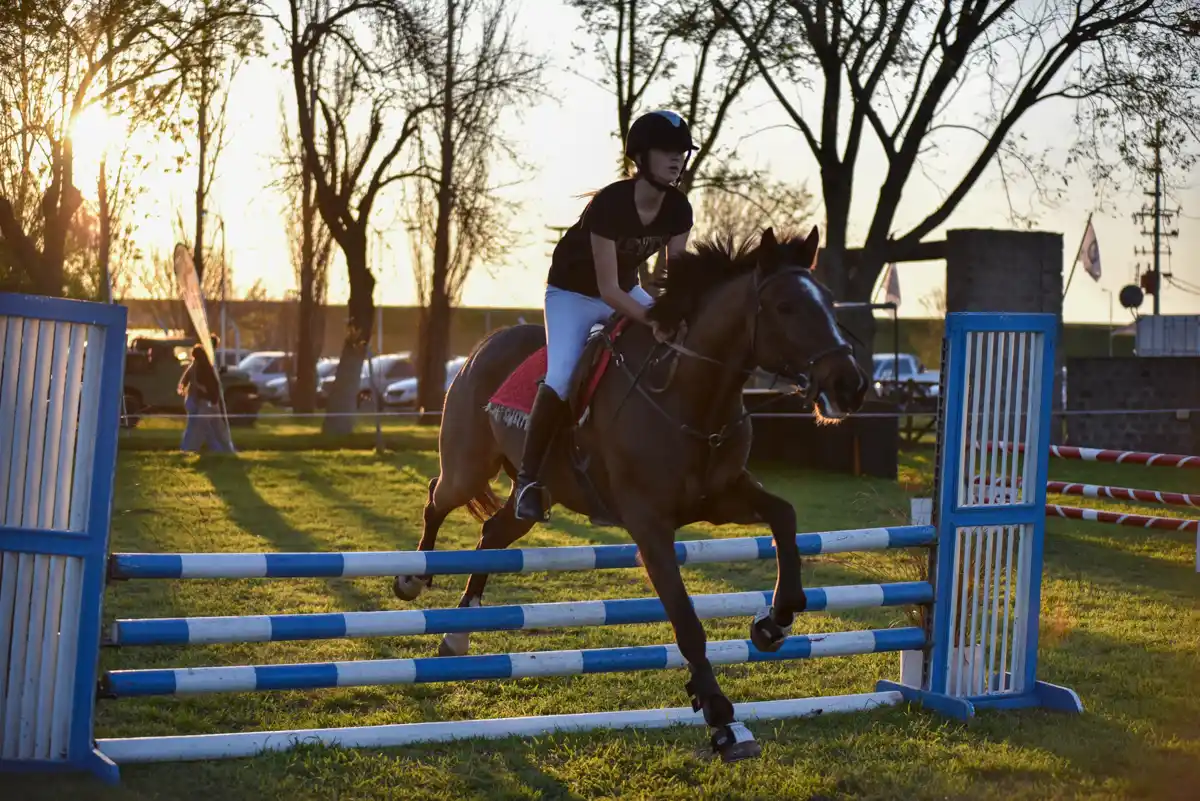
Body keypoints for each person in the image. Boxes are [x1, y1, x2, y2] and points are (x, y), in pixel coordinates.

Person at [513, 109, 697, 522]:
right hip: (573, 295)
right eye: (667, 151)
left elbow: (677, 278)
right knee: (561, 375)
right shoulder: (610, 205)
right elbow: (607, 290)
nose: (676, 159)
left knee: (676, 342)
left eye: (681, 152)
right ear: (641, 157)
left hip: (624, 288)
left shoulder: (679, 209)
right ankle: (528, 479)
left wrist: (678, 315)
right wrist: (652, 319)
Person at [178, 342, 233, 453]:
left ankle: (189, 449)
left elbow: (189, 380)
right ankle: (222, 450)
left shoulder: (198, 366)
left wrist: (184, 387)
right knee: (211, 428)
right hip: (207, 401)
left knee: (201, 427)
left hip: (203, 401)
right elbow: (208, 382)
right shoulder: (204, 365)